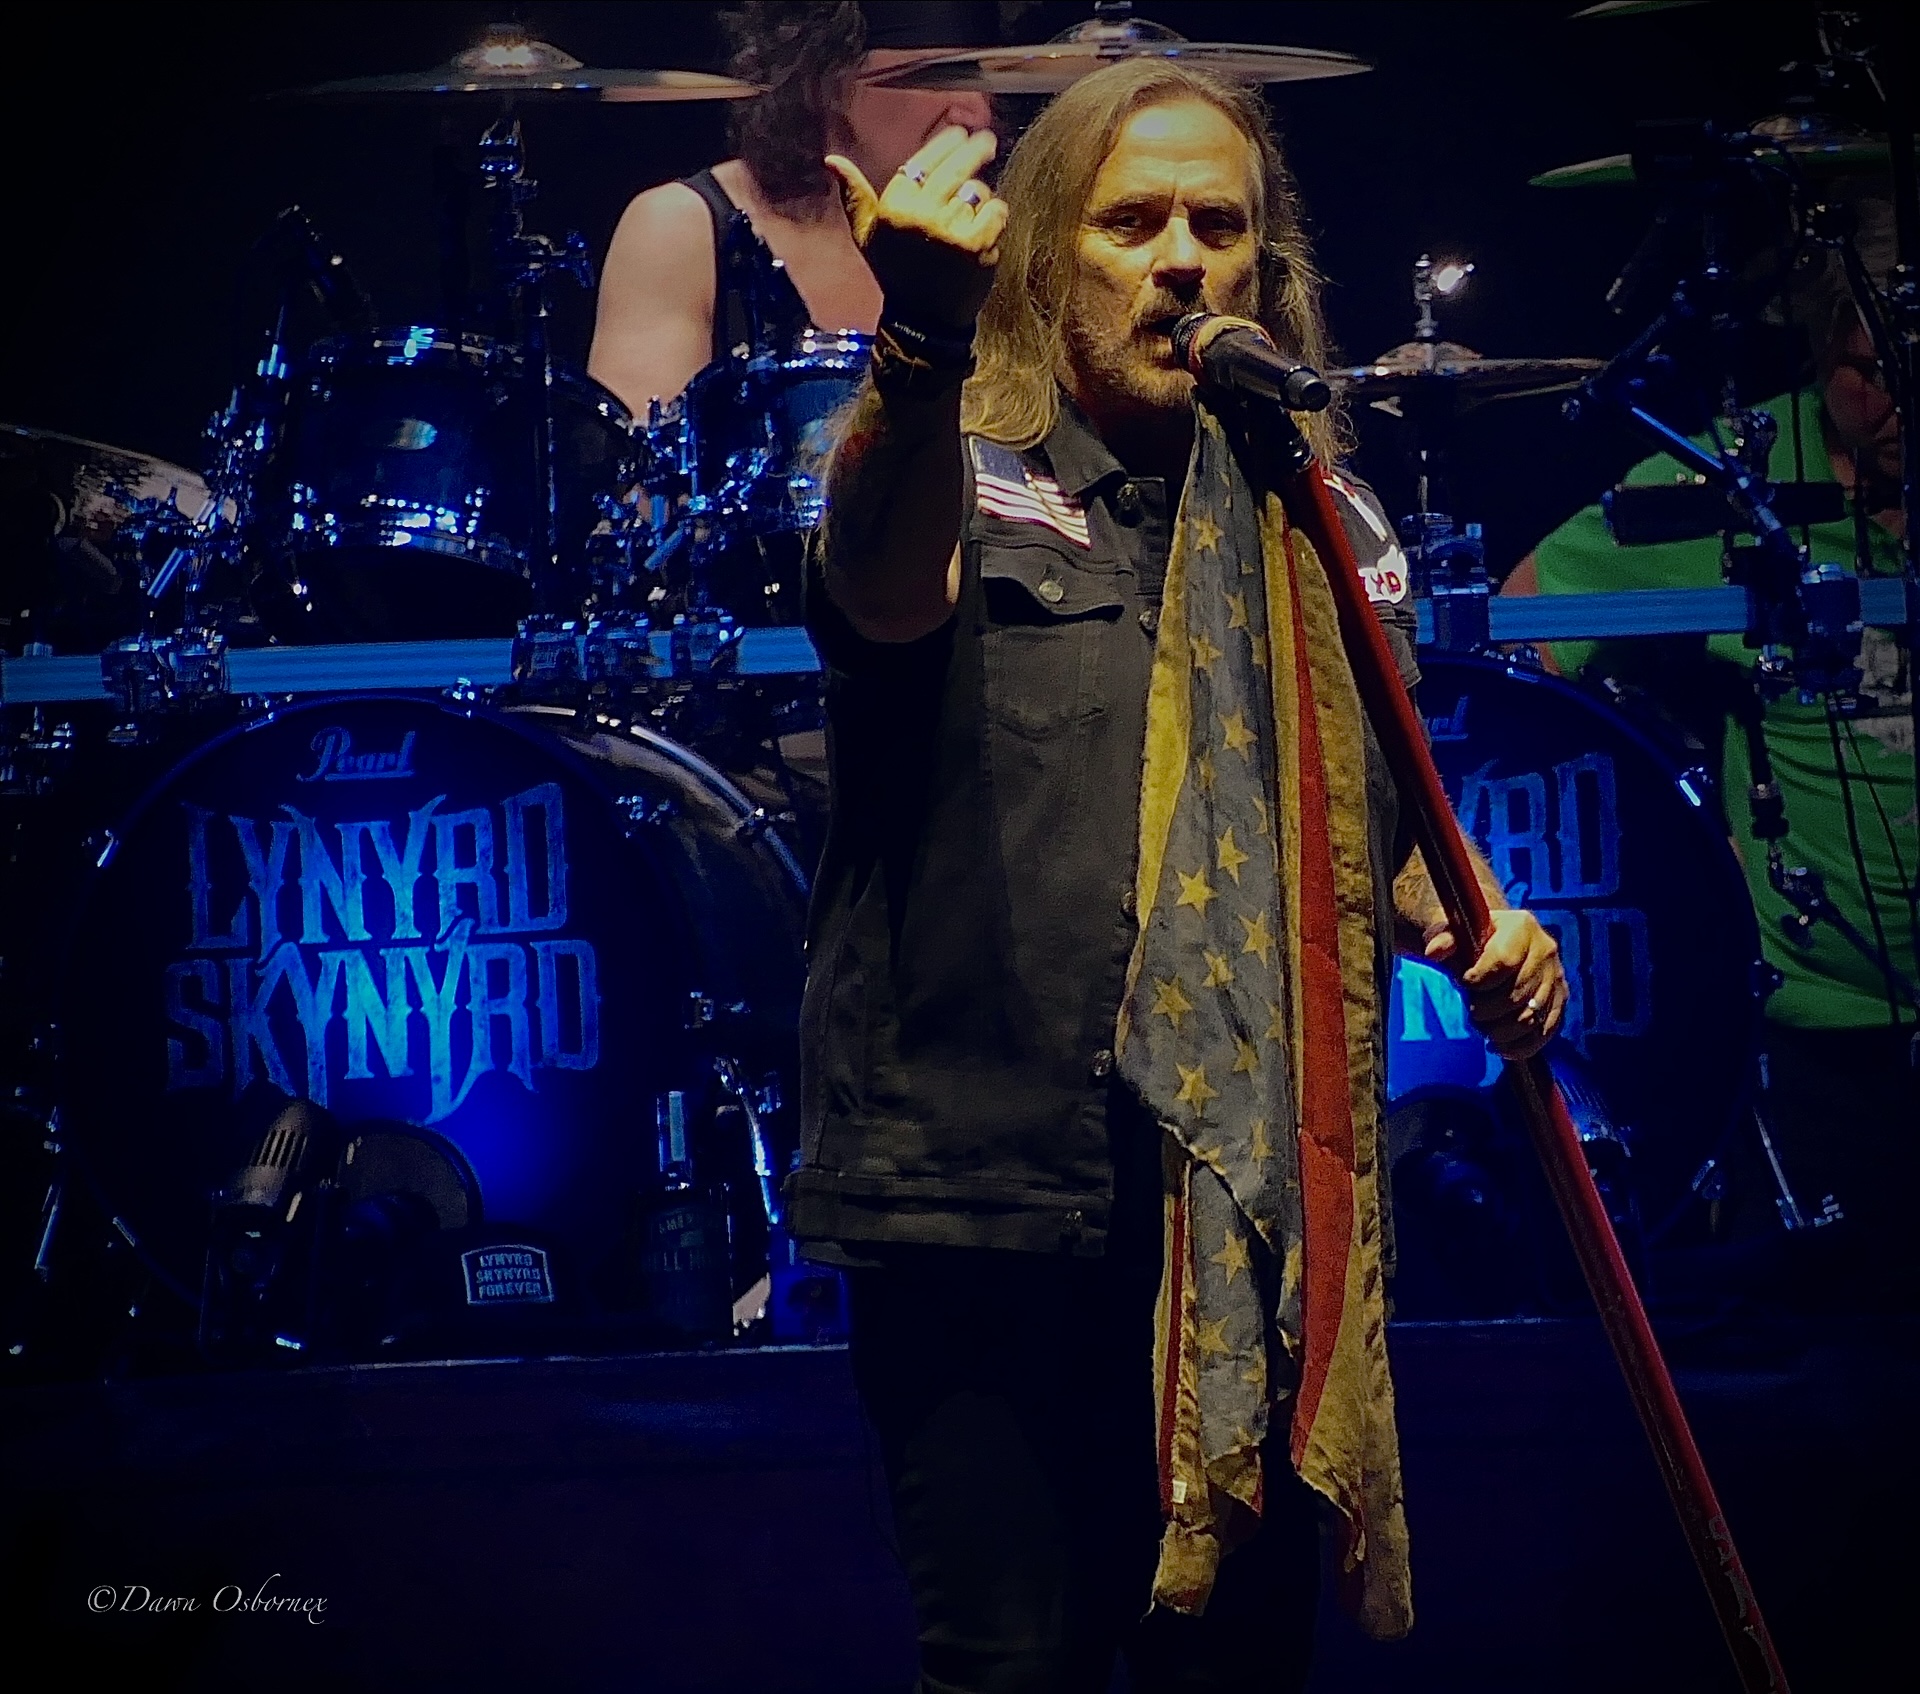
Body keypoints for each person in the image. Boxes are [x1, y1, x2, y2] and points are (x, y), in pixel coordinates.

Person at [791, 59, 1569, 1692]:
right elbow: (877, 587)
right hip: (989, 1202)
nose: (1180, 260)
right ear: (1044, 253)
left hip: (1238, 1204)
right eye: (1131, 221)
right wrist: (919, 337)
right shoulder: (957, 466)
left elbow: (1364, 806)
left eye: (1219, 225)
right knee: (1014, 1665)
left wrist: (1475, 918)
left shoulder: (1328, 514)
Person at [1505, 221, 1917, 1310]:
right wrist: (1669, 820)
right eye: (1869, 370)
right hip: (1825, 1031)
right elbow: (1516, 635)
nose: (1895, 401)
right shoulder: (1734, 475)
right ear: (1820, 342)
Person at [588, 2, 999, 416]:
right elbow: (638, 451)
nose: (976, 112)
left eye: (979, 76)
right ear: (826, 81)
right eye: (939, 76)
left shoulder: (998, 229)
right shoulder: (682, 228)